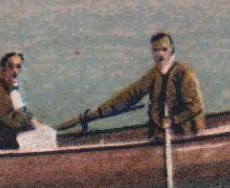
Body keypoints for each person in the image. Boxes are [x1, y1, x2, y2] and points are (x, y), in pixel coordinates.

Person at [60, 32, 205, 140]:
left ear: (172, 50)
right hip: (160, 134)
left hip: (185, 133)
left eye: (163, 49)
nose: (160, 54)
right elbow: (130, 95)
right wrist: (96, 113)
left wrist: (173, 121)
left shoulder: (184, 74)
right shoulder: (154, 74)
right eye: (155, 50)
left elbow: (196, 107)